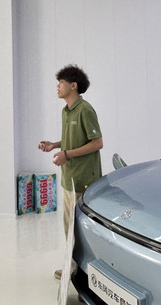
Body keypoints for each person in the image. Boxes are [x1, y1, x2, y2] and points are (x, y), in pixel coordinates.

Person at [38, 64, 103, 280]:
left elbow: (97, 143)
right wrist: (55, 145)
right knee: (70, 228)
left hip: (83, 179)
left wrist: (66, 153)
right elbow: (72, 140)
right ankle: (73, 267)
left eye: (61, 83)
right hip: (69, 178)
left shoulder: (85, 110)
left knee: (78, 229)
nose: (57, 87)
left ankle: (76, 271)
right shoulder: (66, 111)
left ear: (73, 86)